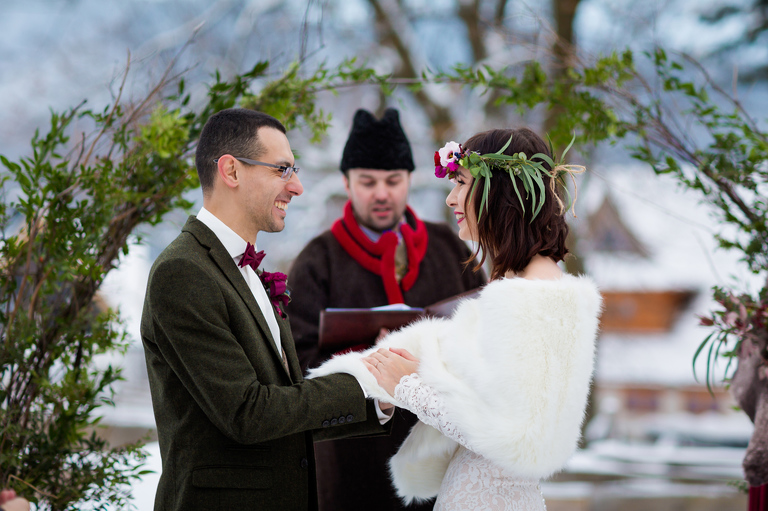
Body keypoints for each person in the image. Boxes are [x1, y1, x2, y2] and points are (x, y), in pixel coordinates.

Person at [308, 128, 602, 510]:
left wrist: (408, 385)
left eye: (461, 183)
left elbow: (519, 438)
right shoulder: (520, 286)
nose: (450, 198)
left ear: (498, 191)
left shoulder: (536, 294)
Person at [140, 108, 392, 511]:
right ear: (231, 171)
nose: (297, 187)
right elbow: (248, 413)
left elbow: (285, 405)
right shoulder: (183, 272)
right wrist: (364, 379)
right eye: (282, 170)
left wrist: (379, 398)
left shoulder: (247, 270)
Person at [286, 108, 487, 510]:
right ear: (347, 182)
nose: (382, 193)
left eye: (393, 180)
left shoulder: (450, 247)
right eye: (368, 181)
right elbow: (297, 368)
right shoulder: (316, 261)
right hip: (351, 471)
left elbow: (486, 335)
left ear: (409, 179)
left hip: (444, 467)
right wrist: (370, 361)